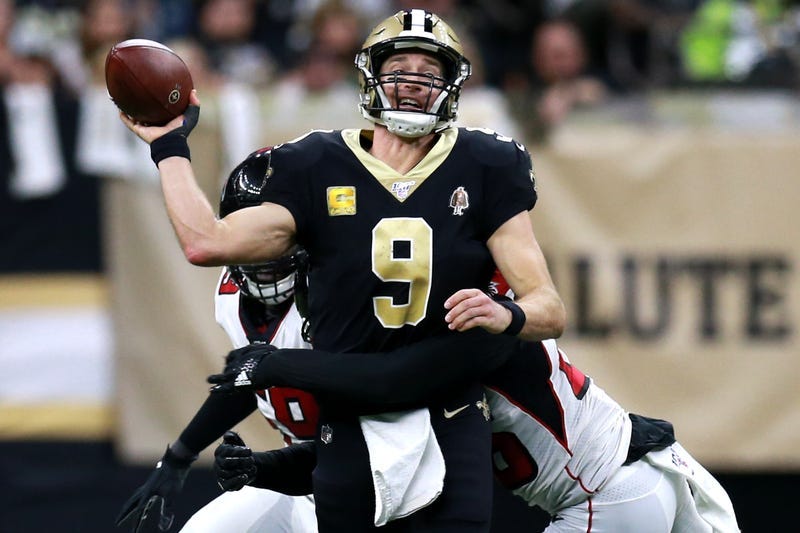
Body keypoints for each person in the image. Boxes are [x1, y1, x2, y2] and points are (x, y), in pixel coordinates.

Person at [120, 8, 565, 531]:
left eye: (430, 72)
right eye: (401, 70)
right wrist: (170, 145)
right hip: (348, 424)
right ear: (372, 75)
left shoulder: (486, 163)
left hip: (450, 417)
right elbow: (205, 243)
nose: (414, 85)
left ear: (451, 84)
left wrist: (506, 313)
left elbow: (549, 310)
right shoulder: (314, 163)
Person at [210, 278, 741, 532]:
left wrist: (277, 366)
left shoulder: (465, 337)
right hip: (649, 475)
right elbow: (357, 449)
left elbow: (388, 383)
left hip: (608, 495)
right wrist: (259, 467)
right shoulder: (468, 325)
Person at [114, 152, 318, 533]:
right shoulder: (230, 295)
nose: (263, 255)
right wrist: (177, 457)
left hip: (360, 471)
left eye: (274, 240)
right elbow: (248, 380)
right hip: (299, 471)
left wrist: (263, 465)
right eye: (250, 239)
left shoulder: (335, 294)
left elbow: (361, 409)